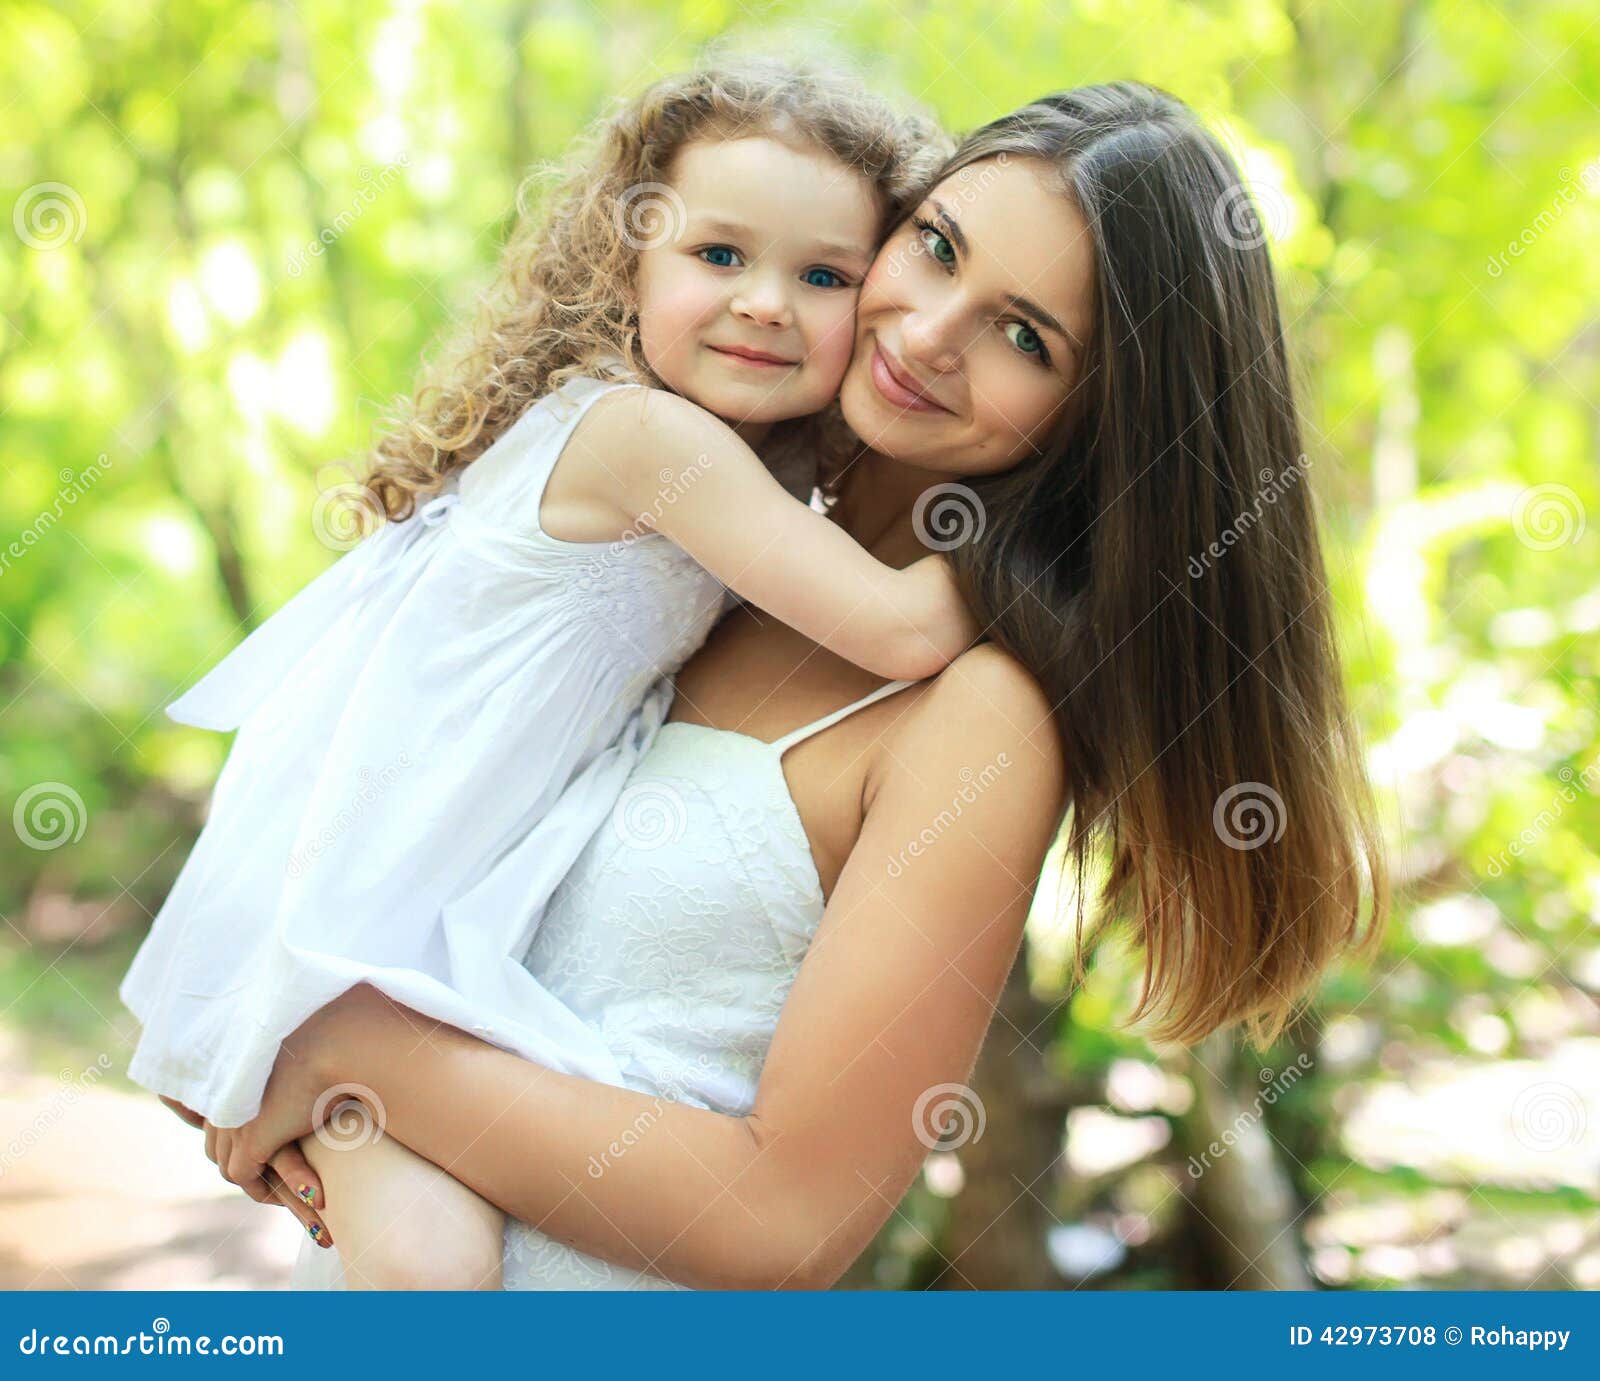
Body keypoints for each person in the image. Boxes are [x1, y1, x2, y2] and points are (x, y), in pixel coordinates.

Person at [173, 80, 1388, 1291]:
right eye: (935, 247)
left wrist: (346, 1051)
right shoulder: (690, 568)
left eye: (1025, 336)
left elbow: (784, 1224)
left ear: (1103, 417)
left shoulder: (980, 714)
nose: (923, 334)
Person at [119, 58, 974, 1290]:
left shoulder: (705, 454)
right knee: (434, 1274)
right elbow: (898, 628)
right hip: (368, 911)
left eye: (824, 275)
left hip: (408, 910)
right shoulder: (645, 436)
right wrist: (1075, 533)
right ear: (626, 261)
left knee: (426, 1257)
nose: (767, 304)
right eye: (718, 256)